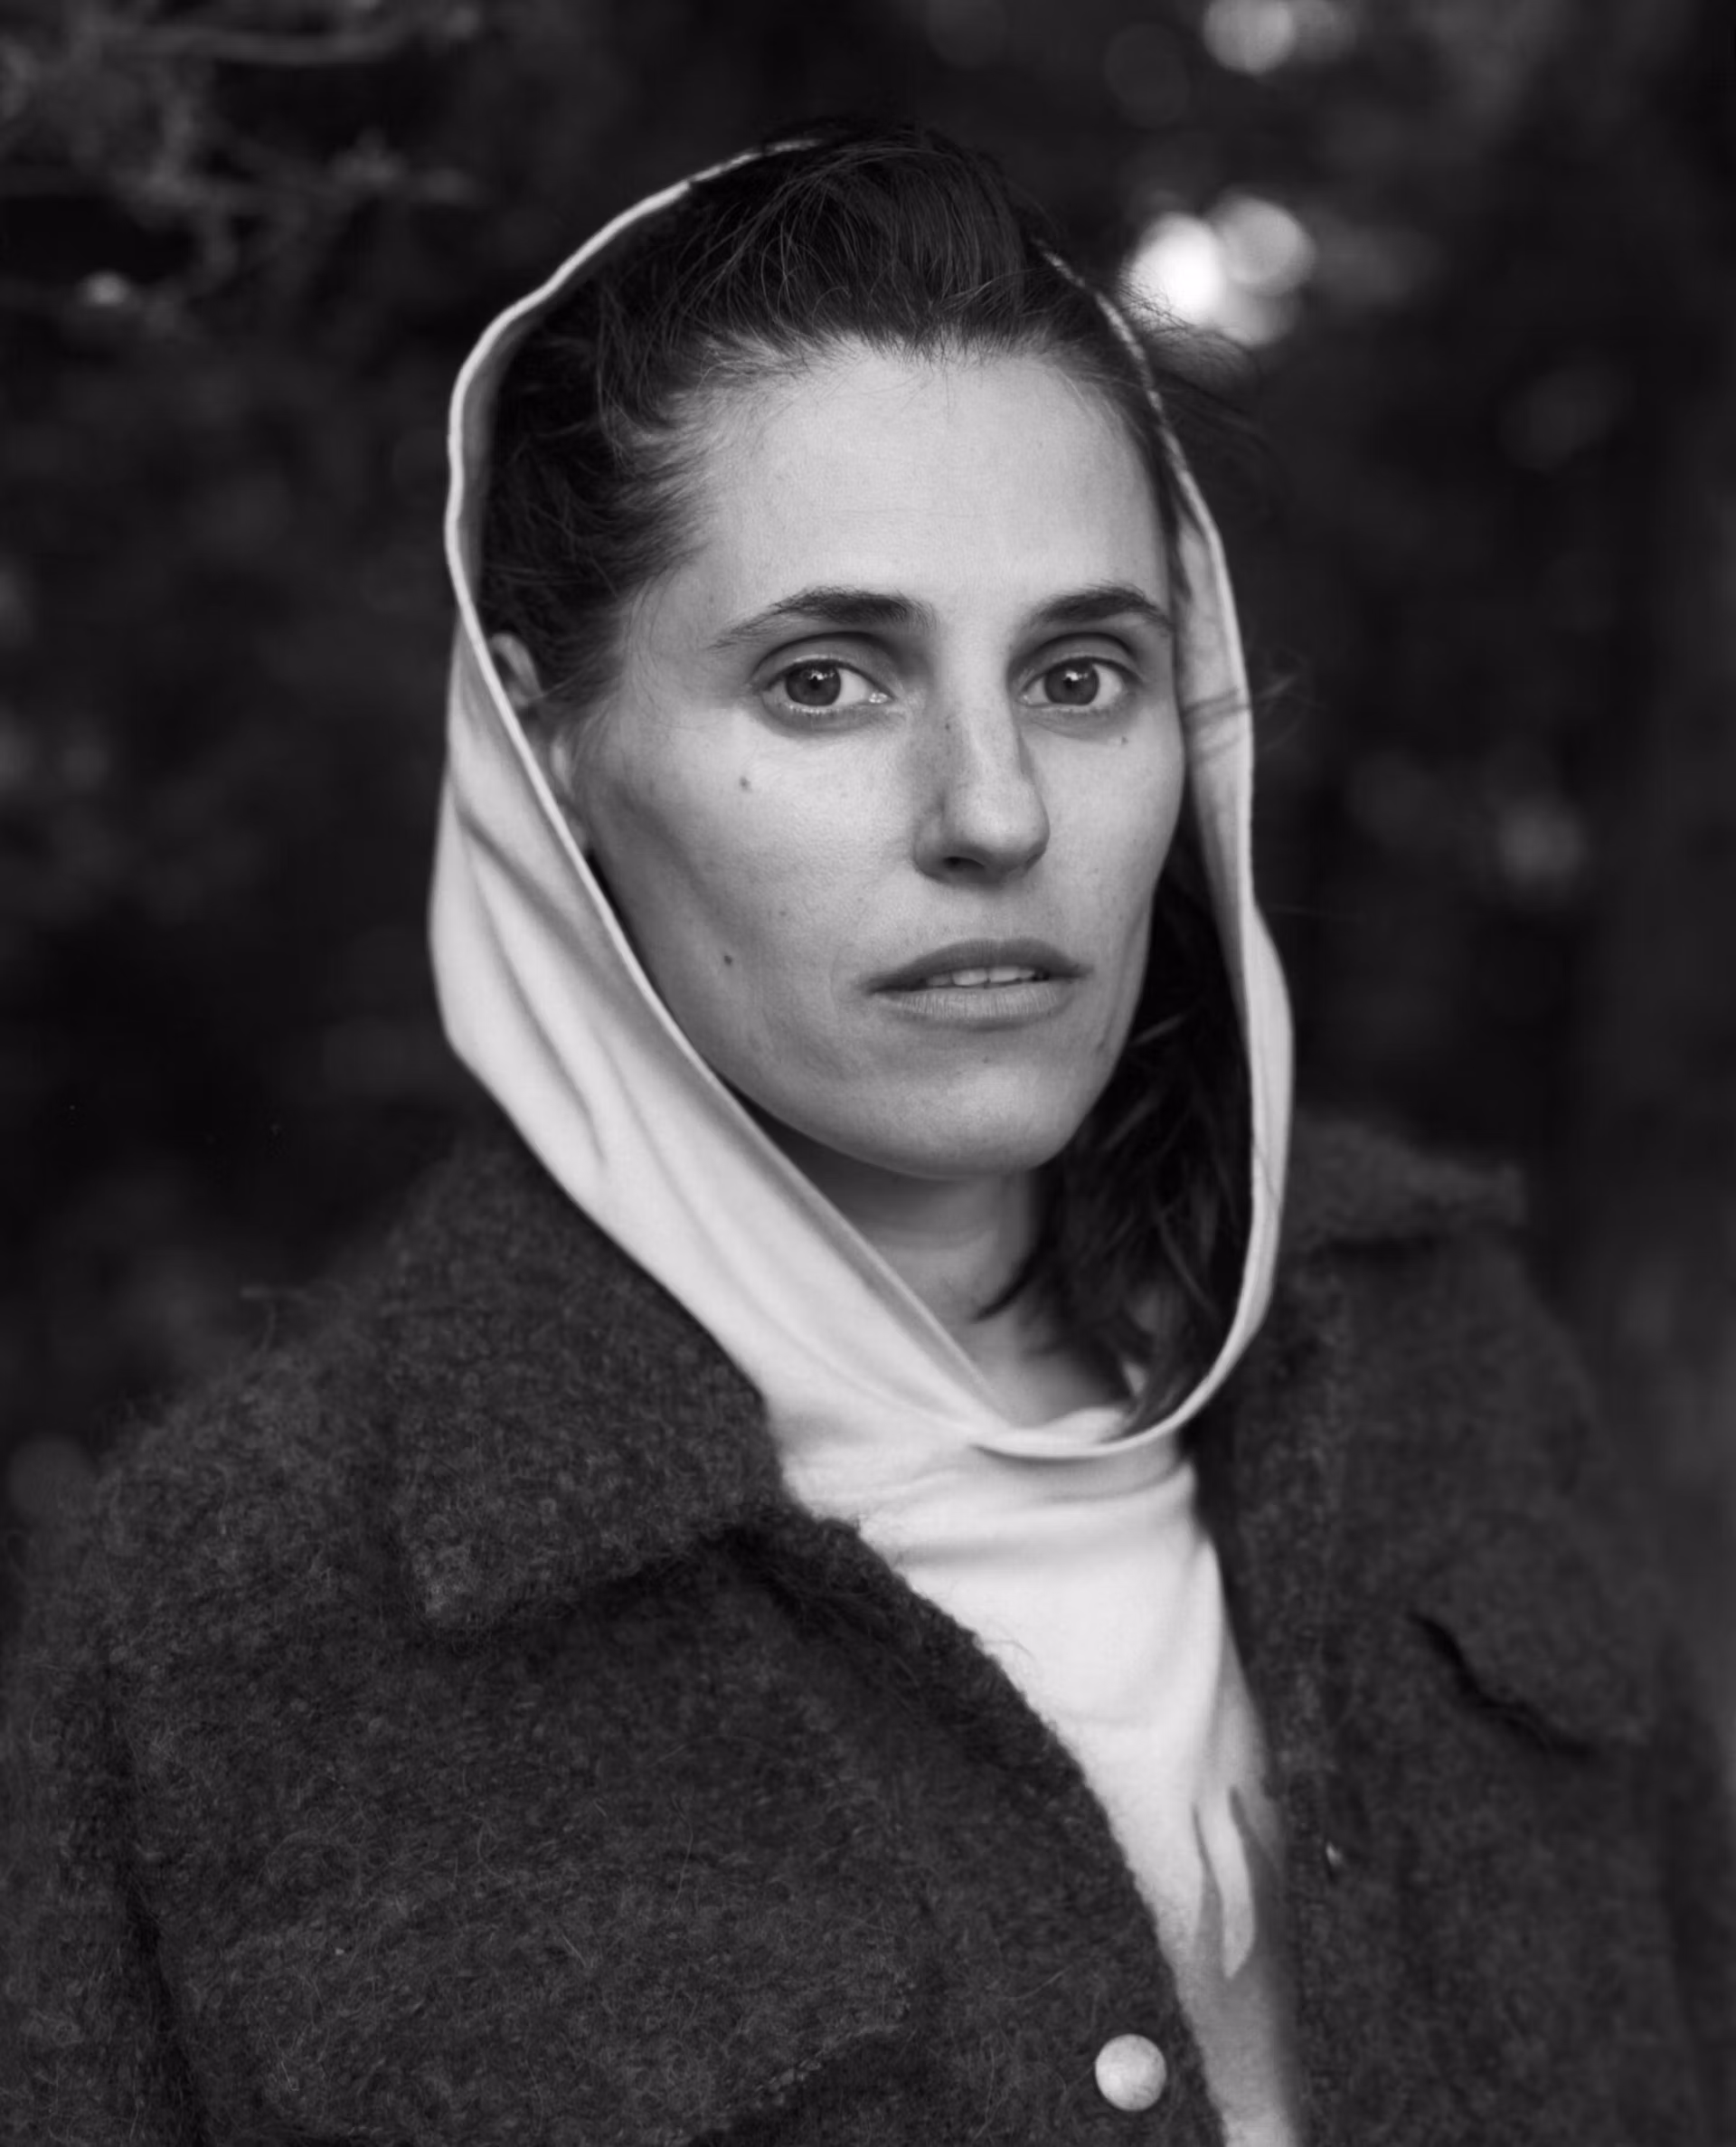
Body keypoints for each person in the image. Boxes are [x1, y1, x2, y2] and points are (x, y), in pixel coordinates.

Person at [3, 122, 1732, 2147]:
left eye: (1080, 672)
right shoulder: (241, 1610)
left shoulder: (1440, 1356)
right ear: (554, 747)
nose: (995, 810)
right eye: (825, 679)